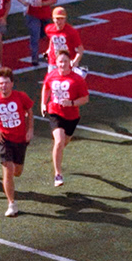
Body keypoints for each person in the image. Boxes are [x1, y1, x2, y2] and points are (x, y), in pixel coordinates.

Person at [0, 67, 33, 217]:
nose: (3, 86)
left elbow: (30, 111)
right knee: (9, 170)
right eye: (0, 83)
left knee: (17, 171)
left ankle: (10, 192)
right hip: (4, 140)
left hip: (20, 139)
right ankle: (12, 203)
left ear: (12, 83)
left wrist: (30, 129)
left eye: (6, 83)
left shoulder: (21, 96)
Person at [40, 57, 89, 189]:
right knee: (59, 141)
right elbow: (46, 87)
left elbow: (85, 98)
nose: (62, 64)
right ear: (56, 63)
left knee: (63, 142)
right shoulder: (51, 75)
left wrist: (72, 103)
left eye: (65, 62)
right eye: (60, 62)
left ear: (70, 64)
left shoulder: (77, 80)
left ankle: (57, 154)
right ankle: (58, 174)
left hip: (72, 116)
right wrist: (43, 104)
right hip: (55, 111)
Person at [16, 0, 59, 66]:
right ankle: (34, 58)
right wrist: (23, 2)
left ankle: (53, 54)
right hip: (32, 15)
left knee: (47, 36)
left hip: (45, 15)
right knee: (34, 35)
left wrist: (43, 3)